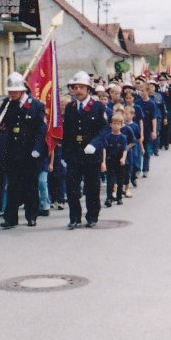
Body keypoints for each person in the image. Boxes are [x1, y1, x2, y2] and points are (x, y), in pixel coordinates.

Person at [0, 72, 48, 229]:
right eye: (9, 91)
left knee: (30, 185)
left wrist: (37, 148)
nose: (11, 94)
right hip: (12, 151)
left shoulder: (36, 106)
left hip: (30, 153)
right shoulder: (8, 103)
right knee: (12, 186)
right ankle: (10, 218)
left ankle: (31, 215)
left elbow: (41, 129)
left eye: (14, 91)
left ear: (22, 90)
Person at [62, 71, 110, 229]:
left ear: (89, 89)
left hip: (91, 154)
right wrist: (64, 154)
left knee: (92, 187)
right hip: (74, 155)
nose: (78, 91)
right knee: (72, 188)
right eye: (75, 87)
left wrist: (94, 144)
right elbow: (67, 132)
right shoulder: (70, 107)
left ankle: (92, 216)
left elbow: (105, 130)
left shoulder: (97, 107)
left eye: (81, 87)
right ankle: (75, 217)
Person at [103, 113, 129, 207]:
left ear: (122, 125)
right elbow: (104, 149)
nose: (116, 125)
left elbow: (125, 149)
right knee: (110, 180)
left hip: (120, 161)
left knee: (120, 180)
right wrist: (103, 162)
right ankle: (109, 198)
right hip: (110, 160)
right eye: (114, 123)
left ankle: (119, 197)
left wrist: (123, 158)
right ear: (111, 124)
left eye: (118, 124)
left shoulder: (123, 137)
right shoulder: (107, 136)